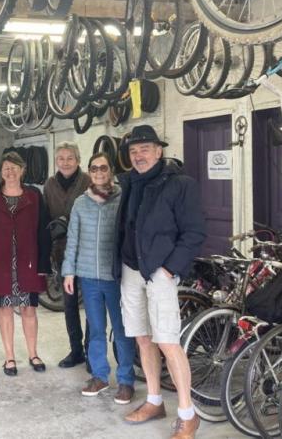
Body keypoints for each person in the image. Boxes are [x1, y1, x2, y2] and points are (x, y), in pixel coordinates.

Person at [114, 125, 206, 439]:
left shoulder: (181, 184)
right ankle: (154, 400)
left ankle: (187, 413)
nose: (138, 155)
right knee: (142, 337)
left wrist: (169, 269)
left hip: (159, 272)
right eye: (133, 151)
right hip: (131, 269)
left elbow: (194, 233)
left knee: (167, 341)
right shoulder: (129, 183)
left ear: (159, 151)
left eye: (144, 149)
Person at [62, 152, 136, 403]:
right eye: (94, 169)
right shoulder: (81, 203)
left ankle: (126, 380)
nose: (99, 173)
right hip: (88, 277)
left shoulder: (121, 199)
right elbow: (72, 239)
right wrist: (69, 271)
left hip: (114, 276)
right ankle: (100, 376)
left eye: (103, 168)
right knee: (95, 329)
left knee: (122, 329)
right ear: (89, 172)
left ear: (111, 171)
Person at [0, 152, 51, 375]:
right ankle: (9, 357)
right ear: (1, 172)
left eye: (14, 168)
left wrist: (43, 264)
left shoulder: (34, 196)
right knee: (6, 308)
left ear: (22, 170)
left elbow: (43, 231)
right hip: (1, 263)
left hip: (27, 262)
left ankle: (33, 354)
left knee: (29, 308)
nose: (10, 172)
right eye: (6, 168)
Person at [42, 142, 91, 369]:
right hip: (61, 254)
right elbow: (44, 218)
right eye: (61, 158)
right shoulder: (50, 185)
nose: (65, 162)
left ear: (78, 160)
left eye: (70, 158)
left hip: (88, 252)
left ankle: (92, 351)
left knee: (91, 304)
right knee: (69, 304)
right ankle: (76, 350)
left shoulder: (89, 181)